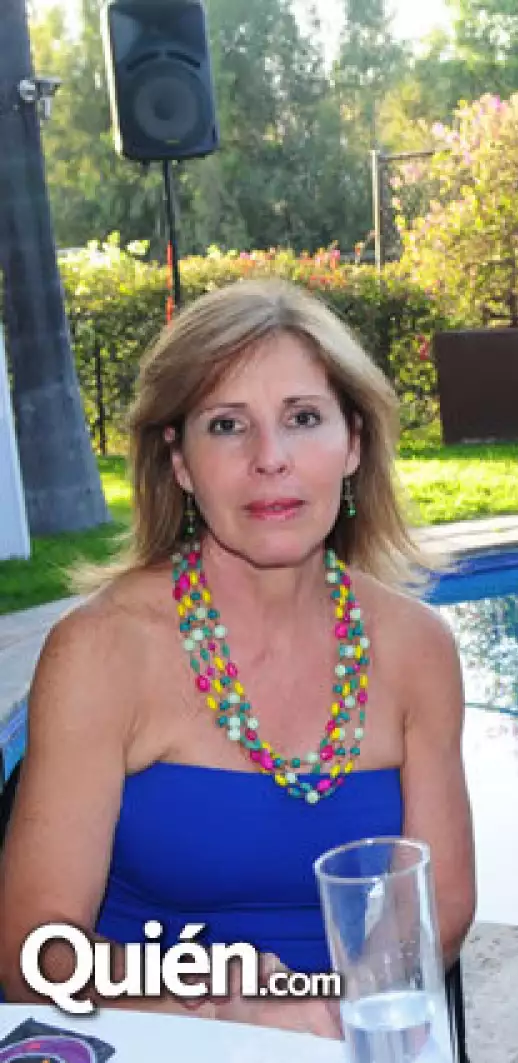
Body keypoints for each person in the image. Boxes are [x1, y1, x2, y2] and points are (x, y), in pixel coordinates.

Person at [0, 280, 476, 1034]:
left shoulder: (418, 646)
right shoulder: (100, 650)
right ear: (180, 462)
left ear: (353, 442)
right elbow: (35, 950)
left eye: (303, 419)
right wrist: (226, 992)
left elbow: (440, 906)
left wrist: (344, 1011)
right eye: (227, 425)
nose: (270, 459)